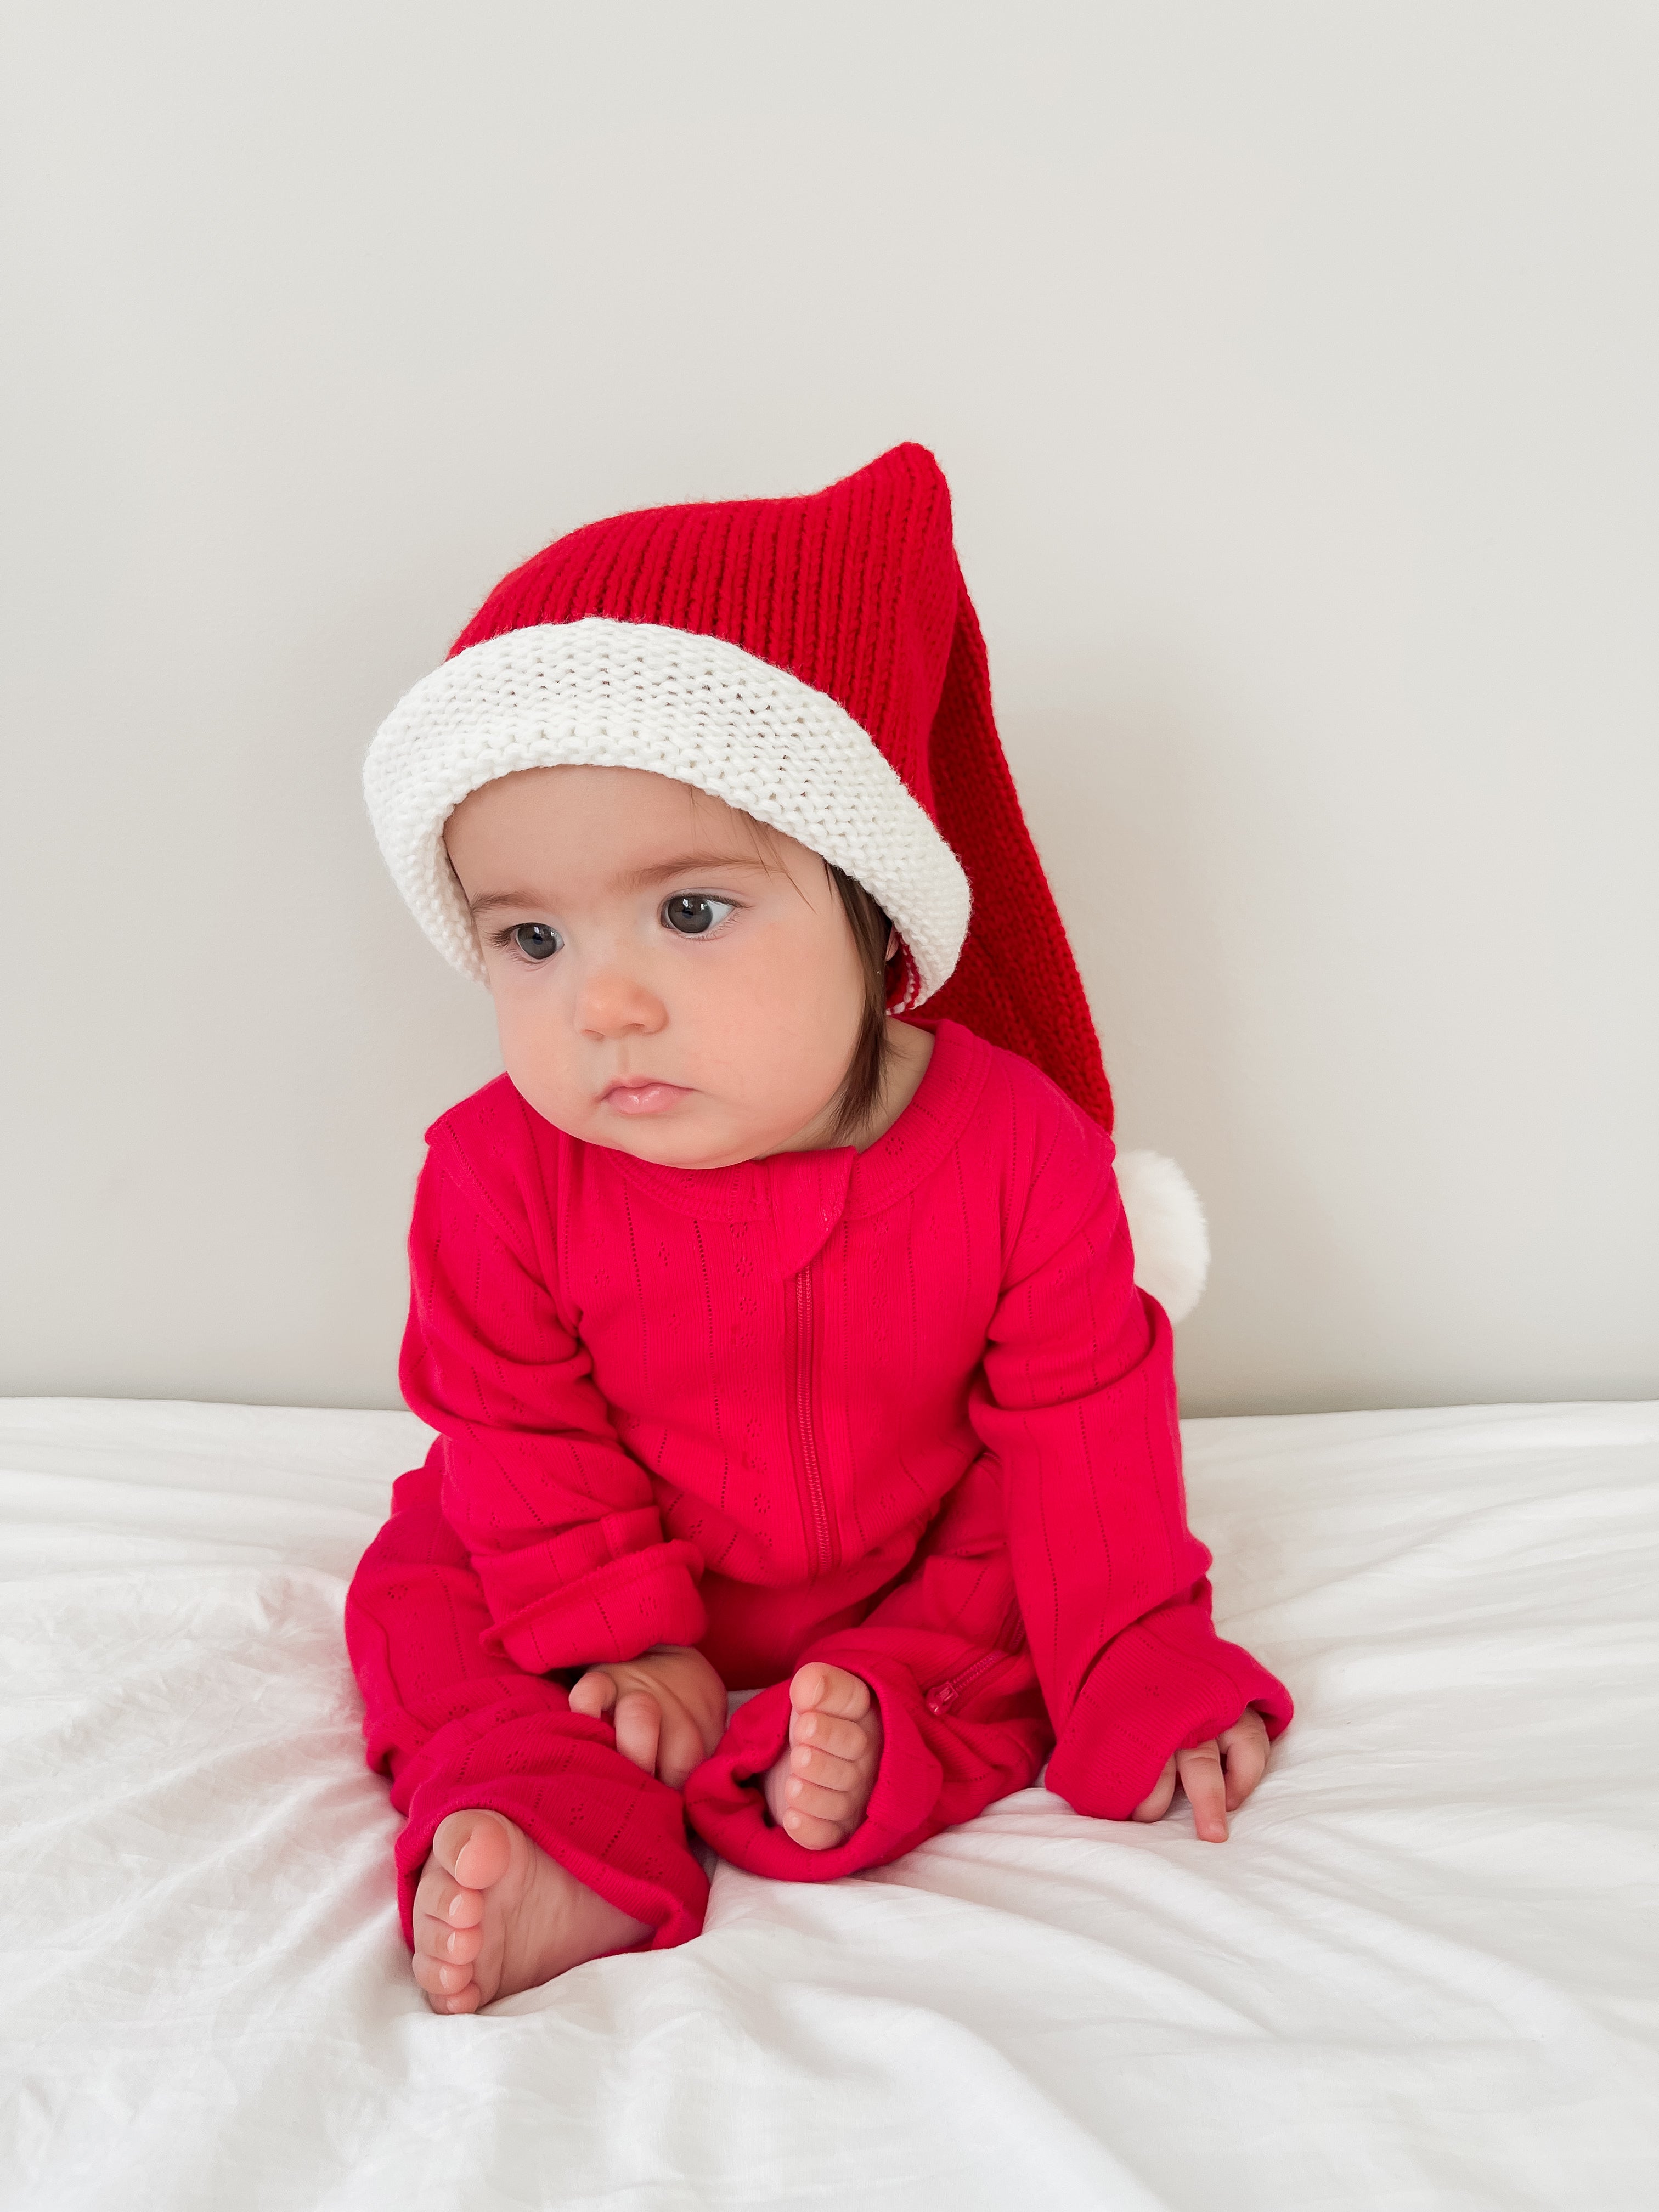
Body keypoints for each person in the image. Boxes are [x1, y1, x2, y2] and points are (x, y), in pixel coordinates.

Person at [349, 443, 1293, 2015]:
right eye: (529, 936)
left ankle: (857, 1747)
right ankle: (550, 1819)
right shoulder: (496, 1175)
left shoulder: (1016, 1150)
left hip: (898, 1554)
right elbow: (516, 1421)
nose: (608, 1001)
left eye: (693, 910)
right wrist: (622, 1638)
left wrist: (1136, 1655)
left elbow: (1082, 1428)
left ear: (873, 912)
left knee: (1010, 1605)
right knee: (429, 1579)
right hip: (586, 1549)